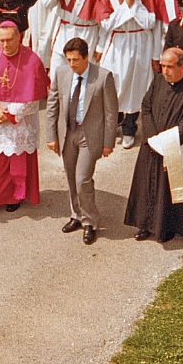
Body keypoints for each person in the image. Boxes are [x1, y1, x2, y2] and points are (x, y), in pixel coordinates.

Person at [0, 21, 50, 219]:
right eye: (1, 40)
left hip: (19, 119)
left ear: (18, 37)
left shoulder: (31, 60)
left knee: (17, 160)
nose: (5, 45)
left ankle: (14, 197)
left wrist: (12, 113)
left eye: (9, 40)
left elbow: (35, 97)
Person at [123, 47, 183, 242]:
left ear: (182, 67)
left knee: (169, 189)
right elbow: (147, 106)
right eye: (162, 66)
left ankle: (168, 228)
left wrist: (164, 142)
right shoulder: (158, 80)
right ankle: (144, 224)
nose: (164, 70)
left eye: (169, 67)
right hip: (151, 144)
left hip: (175, 146)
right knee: (146, 187)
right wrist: (152, 137)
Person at [45, 37, 118, 244]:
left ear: (86, 57)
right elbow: (52, 106)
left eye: (76, 60)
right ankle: (76, 215)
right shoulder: (61, 74)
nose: (72, 64)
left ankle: (90, 222)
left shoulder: (103, 77)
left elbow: (111, 113)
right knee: (70, 177)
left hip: (90, 135)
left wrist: (108, 142)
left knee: (82, 179)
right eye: (68, 59)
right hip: (68, 133)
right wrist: (51, 136)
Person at [98, 0, 161, 149]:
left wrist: (135, 4)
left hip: (139, 42)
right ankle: (113, 122)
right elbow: (107, 23)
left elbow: (150, 22)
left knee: (136, 84)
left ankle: (129, 126)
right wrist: (127, 5)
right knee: (114, 84)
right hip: (118, 42)